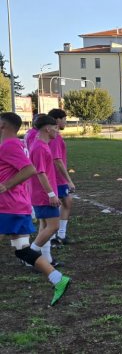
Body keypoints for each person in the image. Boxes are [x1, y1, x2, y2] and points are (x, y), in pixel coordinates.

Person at [0, 112, 70, 306]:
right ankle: (58, 278)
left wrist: (6, 185)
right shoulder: (17, 144)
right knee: (22, 251)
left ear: (3, 125)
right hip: (17, 205)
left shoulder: (10, 145)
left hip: (8, 206)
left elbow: (30, 169)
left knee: (26, 247)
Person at [28, 115, 63, 267]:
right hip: (43, 195)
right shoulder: (40, 147)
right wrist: (51, 194)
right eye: (55, 128)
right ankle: (29, 256)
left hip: (41, 193)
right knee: (54, 226)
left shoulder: (41, 145)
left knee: (45, 226)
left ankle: (47, 258)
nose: (57, 131)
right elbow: (41, 173)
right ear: (48, 128)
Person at [47, 109, 76, 246]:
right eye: (64, 119)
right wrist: (69, 180)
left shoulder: (55, 135)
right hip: (57, 177)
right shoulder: (55, 137)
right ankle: (54, 237)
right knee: (59, 204)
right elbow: (57, 160)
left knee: (66, 202)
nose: (65, 121)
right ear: (57, 120)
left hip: (56, 177)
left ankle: (60, 235)